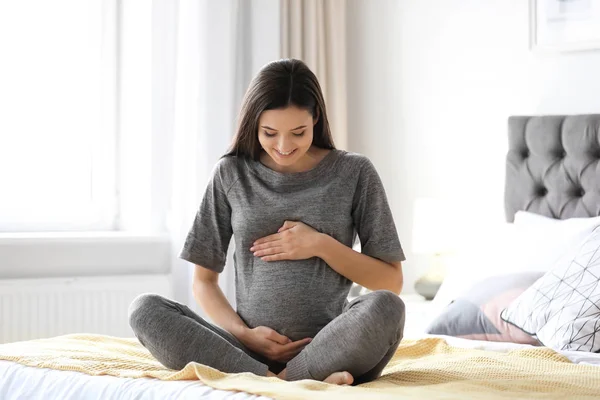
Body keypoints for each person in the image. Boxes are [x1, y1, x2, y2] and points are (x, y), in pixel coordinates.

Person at [128, 59, 406, 386]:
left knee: (387, 308)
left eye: (298, 133)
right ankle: (297, 381)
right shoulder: (231, 174)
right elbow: (203, 282)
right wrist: (243, 334)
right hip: (244, 350)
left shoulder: (355, 173)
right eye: (270, 133)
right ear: (253, 123)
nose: (284, 146)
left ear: (316, 117)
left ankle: (276, 380)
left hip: (332, 345)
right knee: (144, 309)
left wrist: (320, 245)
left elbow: (391, 282)